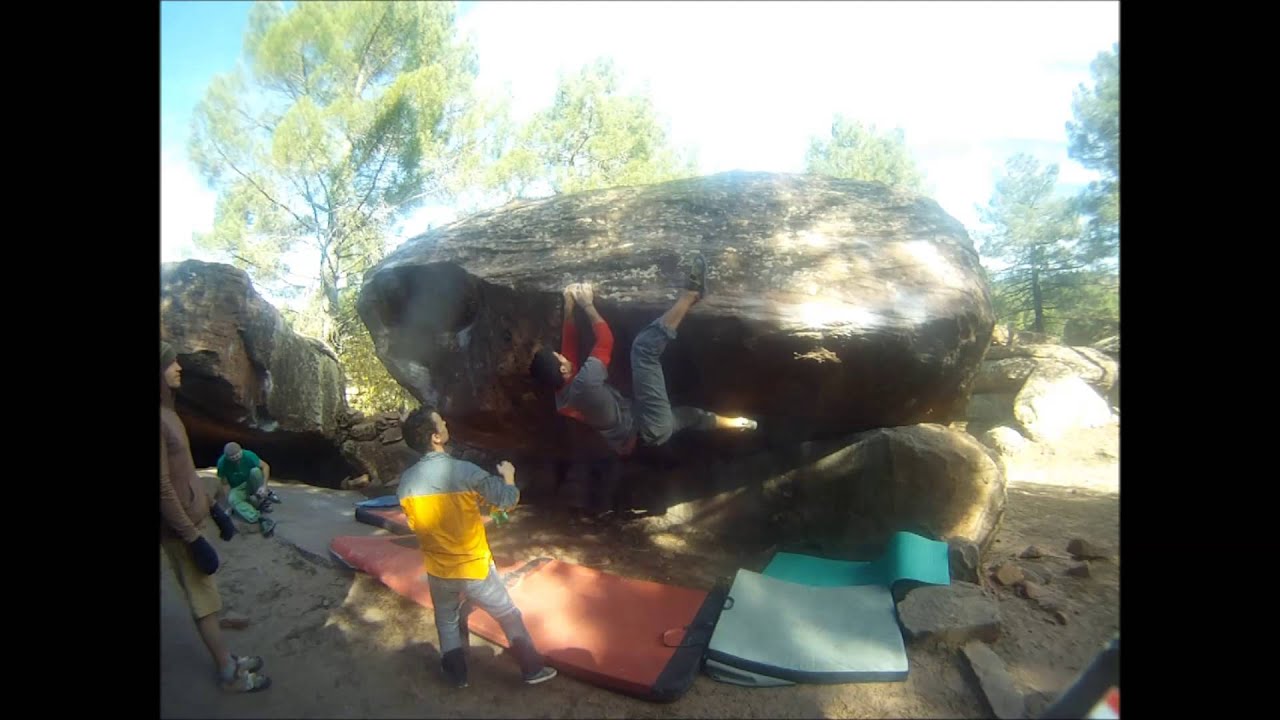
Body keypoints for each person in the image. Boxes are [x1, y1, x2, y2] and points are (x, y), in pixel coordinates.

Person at [528, 254, 758, 461]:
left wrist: (568, 306)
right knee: (643, 350)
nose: (562, 354)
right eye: (559, 358)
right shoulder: (584, 384)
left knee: (690, 417)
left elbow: (569, 349)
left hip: (638, 429)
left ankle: (739, 423)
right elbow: (605, 341)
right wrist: (587, 305)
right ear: (563, 371)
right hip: (648, 425)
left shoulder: (563, 396)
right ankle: (691, 295)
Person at [397, 406, 558, 689]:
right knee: (508, 614)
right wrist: (508, 476)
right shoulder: (464, 472)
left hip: (437, 569)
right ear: (436, 437)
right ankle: (533, 669)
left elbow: (415, 524)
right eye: (440, 422)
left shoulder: (406, 482)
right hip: (474, 567)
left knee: (446, 620)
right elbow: (506, 500)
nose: (446, 422)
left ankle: (457, 676)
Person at [160, 340, 271, 693]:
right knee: (204, 601)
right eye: (170, 364)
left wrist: (212, 508)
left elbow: (185, 473)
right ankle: (228, 672)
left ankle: (226, 657)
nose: (179, 368)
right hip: (179, 531)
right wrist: (192, 539)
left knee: (206, 594)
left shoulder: (170, 414)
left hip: (193, 520)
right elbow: (162, 488)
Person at [215, 442, 280, 536]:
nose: (235, 458)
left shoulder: (248, 455)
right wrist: (230, 503)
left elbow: (265, 466)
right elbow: (224, 483)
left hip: (251, 482)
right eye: (232, 457)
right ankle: (259, 518)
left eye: (237, 455)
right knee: (232, 499)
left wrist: (264, 486)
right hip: (238, 487)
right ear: (227, 457)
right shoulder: (222, 463)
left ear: (241, 451)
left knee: (255, 471)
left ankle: (262, 499)